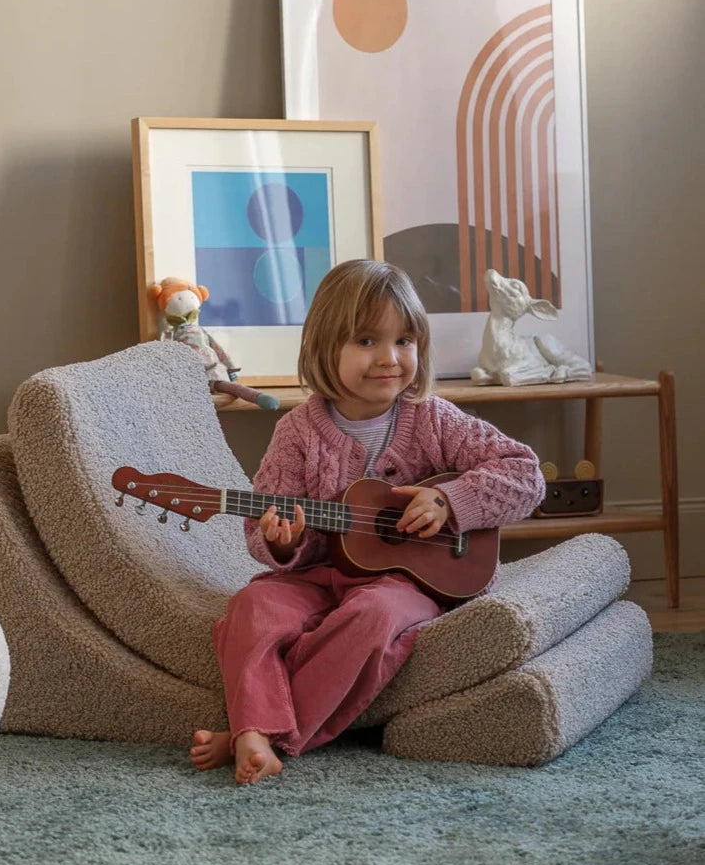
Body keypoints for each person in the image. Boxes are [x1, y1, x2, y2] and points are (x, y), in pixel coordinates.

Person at [190, 259, 546, 784]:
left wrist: (451, 501)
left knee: (373, 616)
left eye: (404, 341)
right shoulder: (298, 433)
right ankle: (255, 729)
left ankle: (261, 731)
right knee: (254, 604)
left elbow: (525, 473)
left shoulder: (433, 419)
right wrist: (283, 542)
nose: (389, 359)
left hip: (405, 582)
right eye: (366, 341)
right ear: (324, 348)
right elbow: (265, 529)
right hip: (318, 576)